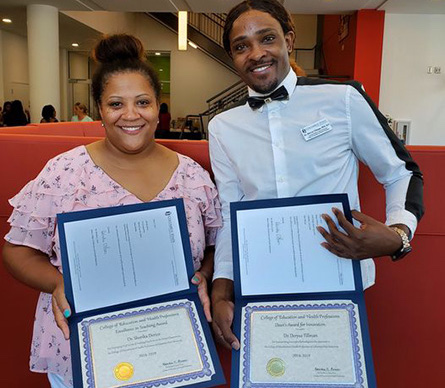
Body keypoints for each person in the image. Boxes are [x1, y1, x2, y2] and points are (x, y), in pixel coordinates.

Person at [2, 34, 221, 388]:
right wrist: (58, 283)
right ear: (99, 109)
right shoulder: (64, 173)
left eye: (143, 102)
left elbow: (215, 245)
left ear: (158, 106)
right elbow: (17, 250)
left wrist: (205, 274)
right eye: (116, 103)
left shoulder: (192, 176)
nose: (131, 115)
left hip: (170, 344)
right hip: (84, 346)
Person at [208, 0, 424, 350]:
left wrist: (398, 234)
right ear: (232, 56)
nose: (256, 53)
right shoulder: (222, 127)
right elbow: (230, 214)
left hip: (339, 275)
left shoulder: (343, 100)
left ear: (289, 40)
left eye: (267, 39)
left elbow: (401, 172)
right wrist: (222, 290)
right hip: (263, 282)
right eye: (241, 46)